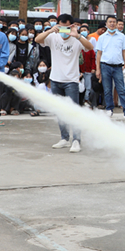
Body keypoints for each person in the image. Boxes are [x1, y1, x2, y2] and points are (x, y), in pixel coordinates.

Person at [37, 14, 94, 151]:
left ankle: (76, 140)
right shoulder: (53, 37)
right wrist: (50, 30)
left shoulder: (77, 39)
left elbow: (90, 47)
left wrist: (77, 35)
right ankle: (64, 138)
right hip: (56, 80)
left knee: (73, 112)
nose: (63, 30)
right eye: (61, 26)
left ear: (72, 26)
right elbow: (37, 39)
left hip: (71, 81)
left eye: (66, 27)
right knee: (60, 111)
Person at [95, 15, 125, 120]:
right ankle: (109, 109)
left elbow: (124, 52)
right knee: (107, 89)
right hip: (105, 66)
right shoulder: (102, 37)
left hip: (118, 67)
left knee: (121, 89)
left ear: (117, 24)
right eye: (110, 22)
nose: (112, 24)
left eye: (114, 22)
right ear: (106, 24)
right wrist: (98, 69)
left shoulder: (121, 36)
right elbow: (99, 54)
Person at [79, 23, 97, 109]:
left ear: (88, 31)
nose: (83, 32)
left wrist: (93, 68)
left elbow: (93, 58)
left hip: (89, 71)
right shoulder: (78, 46)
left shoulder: (90, 48)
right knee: (81, 87)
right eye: (81, 30)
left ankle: (86, 100)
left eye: (84, 30)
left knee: (88, 87)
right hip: (81, 71)